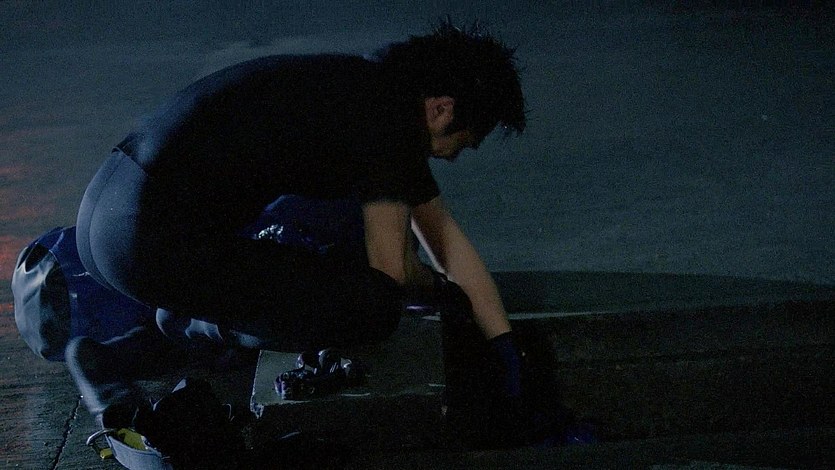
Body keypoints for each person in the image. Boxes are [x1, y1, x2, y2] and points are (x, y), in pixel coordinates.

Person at [68, 20, 529, 444]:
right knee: (371, 306)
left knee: (333, 258)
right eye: (459, 144)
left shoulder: (362, 89)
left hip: (104, 219)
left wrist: (503, 343)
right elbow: (393, 275)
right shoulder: (390, 122)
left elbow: (443, 238)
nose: (450, 158)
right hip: (145, 240)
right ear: (441, 108)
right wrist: (443, 296)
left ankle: (131, 347)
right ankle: (185, 325)